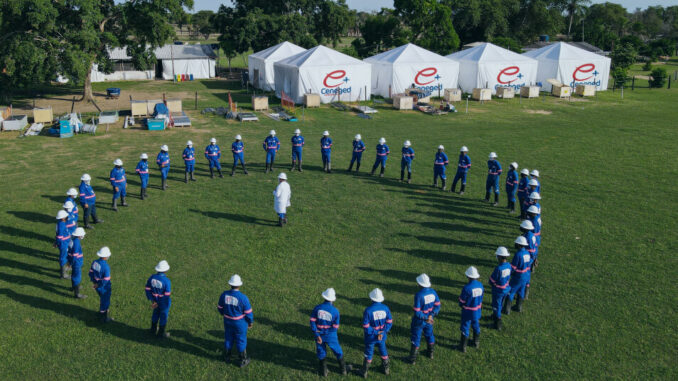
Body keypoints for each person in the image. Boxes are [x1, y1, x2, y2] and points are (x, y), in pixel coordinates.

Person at [310, 288, 350, 376]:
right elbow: (335, 327)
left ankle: (323, 371)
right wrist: (327, 332)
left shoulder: (317, 308)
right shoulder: (335, 311)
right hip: (330, 335)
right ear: (332, 300)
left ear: (324, 297)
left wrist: (317, 334)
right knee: (337, 350)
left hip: (319, 334)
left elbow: (312, 321)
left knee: (321, 351)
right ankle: (343, 369)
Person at [217, 274, 253, 368]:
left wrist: (224, 314)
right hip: (240, 323)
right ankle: (242, 360)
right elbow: (248, 313)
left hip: (227, 321)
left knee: (228, 337)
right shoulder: (243, 298)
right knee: (241, 340)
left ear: (230, 284)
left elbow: (220, 308)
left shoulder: (224, 294)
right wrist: (250, 322)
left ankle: (226, 356)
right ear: (239, 285)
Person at [359, 288, 393, 378]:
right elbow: (389, 322)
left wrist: (375, 332)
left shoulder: (368, 310)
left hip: (371, 337)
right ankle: (386, 369)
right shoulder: (386, 308)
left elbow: (366, 326)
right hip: (382, 336)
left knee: (369, 352)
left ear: (371, 299)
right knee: (383, 350)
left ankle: (364, 371)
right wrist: (382, 331)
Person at [408, 273, 441, 364]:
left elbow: (417, 311)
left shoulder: (419, 295)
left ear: (420, 284)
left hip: (419, 321)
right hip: (430, 320)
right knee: (429, 335)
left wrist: (425, 317)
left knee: (416, 337)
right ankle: (430, 353)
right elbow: (438, 306)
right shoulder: (433, 292)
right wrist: (431, 315)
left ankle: (412, 359)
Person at [458, 266, 483, 352]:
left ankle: (463, 346)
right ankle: (476, 342)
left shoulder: (467, 288)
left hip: (467, 312)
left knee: (465, 327)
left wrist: (461, 304)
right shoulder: (480, 285)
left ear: (468, 276)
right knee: (476, 325)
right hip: (477, 310)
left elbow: (462, 301)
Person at [145, 260, 172, 339]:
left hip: (154, 301)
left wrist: (152, 300)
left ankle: (153, 330)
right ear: (166, 270)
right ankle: (161, 333)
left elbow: (147, 289)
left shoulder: (152, 277)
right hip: (164, 303)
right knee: (163, 316)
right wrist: (159, 302)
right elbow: (166, 295)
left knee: (155, 314)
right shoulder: (167, 281)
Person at [505, 236, 532, 314]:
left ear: (519, 245)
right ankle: (518, 307)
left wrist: (509, 273)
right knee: (521, 291)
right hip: (525, 275)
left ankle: (507, 309)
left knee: (511, 291)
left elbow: (513, 267)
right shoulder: (527, 253)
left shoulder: (518, 254)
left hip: (518, 276)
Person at [489, 247, 511, 330]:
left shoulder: (498, 268)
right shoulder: (509, 265)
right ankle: (495, 315)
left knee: (496, 305)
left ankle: (497, 323)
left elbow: (492, 280)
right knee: (500, 304)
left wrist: (492, 283)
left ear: (500, 257)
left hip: (498, 290)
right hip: (506, 288)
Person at [89, 246, 113, 323]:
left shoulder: (95, 262)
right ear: (106, 256)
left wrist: (95, 282)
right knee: (105, 301)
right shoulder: (106, 267)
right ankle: (103, 317)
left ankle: (102, 312)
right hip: (104, 287)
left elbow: (91, 272)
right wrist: (99, 285)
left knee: (102, 299)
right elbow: (106, 280)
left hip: (96, 285)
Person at [68, 227, 87, 299]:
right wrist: (72, 263)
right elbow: (75, 255)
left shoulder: (73, 240)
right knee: (77, 277)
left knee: (73, 275)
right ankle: (77, 294)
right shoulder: (76, 242)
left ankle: (73, 287)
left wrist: (70, 262)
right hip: (76, 263)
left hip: (73, 262)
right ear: (79, 235)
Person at [54, 210, 72, 279]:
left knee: (64, 256)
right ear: (62, 218)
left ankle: (64, 269)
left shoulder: (61, 223)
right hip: (63, 243)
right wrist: (58, 243)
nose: (67, 216)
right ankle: (63, 274)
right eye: (65, 216)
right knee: (63, 258)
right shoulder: (61, 224)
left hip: (64, 242)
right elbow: (59, 236)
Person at [527, 205, 542, 270]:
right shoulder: (537, 218)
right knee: (535, 249)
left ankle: (532, 263)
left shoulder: (534, 220)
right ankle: (534, 260)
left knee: (532, 250)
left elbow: (533, 230)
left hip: (534, 236)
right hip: (537, 236)